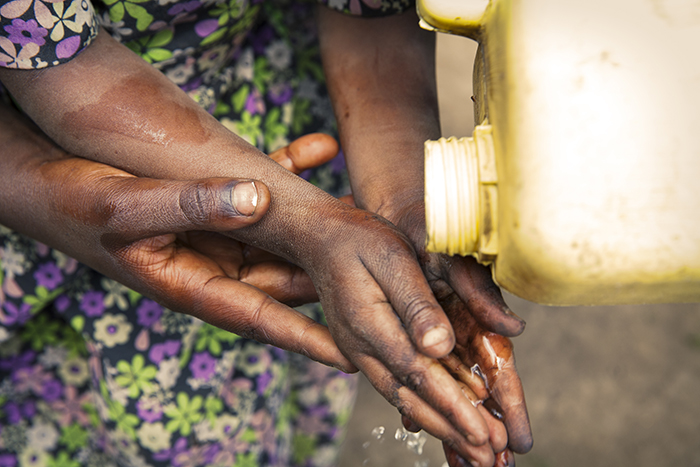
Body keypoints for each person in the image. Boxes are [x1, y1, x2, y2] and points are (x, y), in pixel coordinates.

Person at [0, 0, 532, 465]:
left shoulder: (325, 225)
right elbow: (55, 61)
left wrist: (403, 204)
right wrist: (306, 224)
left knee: (286, 386)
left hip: (285, 112)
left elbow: (368, 15)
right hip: (90, 182)